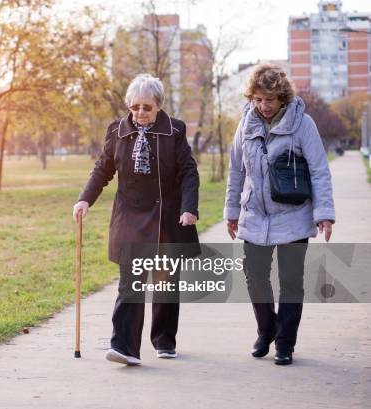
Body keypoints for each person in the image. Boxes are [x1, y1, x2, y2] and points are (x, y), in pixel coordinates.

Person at [72, 73, 200, 366]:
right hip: (130, 218)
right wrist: (84, 199)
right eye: (135, 107)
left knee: (166, 284)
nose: (141, 113)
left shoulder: (174, 131)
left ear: (159, 106)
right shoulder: (117, 130)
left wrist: (189, 208)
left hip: (167, 218)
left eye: (147, 107)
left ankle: (164, 339)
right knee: (131, 283)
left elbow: (189, 173)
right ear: (129, 106)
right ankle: (124, 346)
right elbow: (103, 168)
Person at [224, 64, 335, 365]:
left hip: (293, 215)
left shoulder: (303, 124)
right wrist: (232, 211)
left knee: (290, 281)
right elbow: (236, 169)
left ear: (282, 97)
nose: (263, 106)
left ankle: (285, 343)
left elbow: (319, 170)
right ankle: (266, 329)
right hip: (255, 214)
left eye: (270, 100)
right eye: (258, 99)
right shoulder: (246, 123)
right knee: (254, 275)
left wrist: (324, 213)